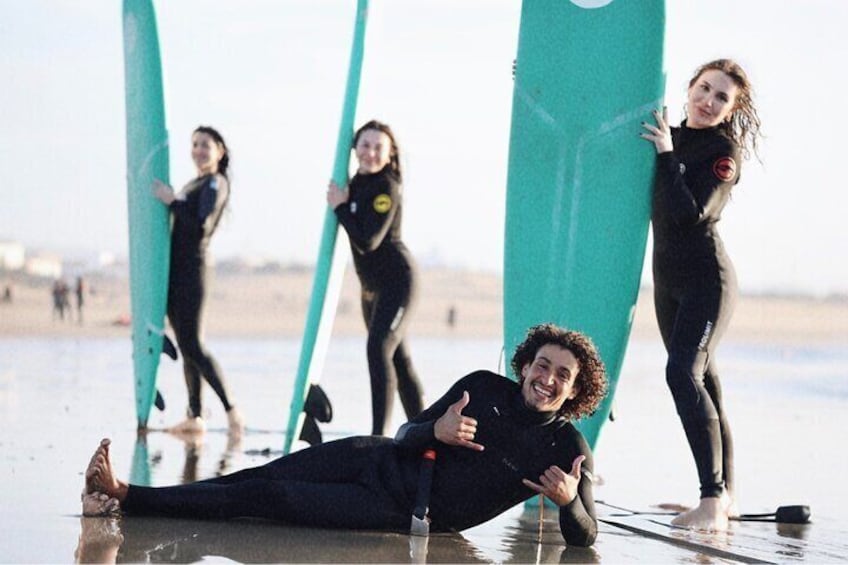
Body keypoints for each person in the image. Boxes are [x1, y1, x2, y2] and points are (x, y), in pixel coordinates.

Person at [83, 324, 608, 547]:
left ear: (577, 389)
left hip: (403, 511)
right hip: (374, 457)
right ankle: (126, 499)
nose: (548, 379)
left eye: (563, 375)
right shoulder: (480, 386)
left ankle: (126, 496)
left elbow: (587, 536)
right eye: (543, 365)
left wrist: (566, 503)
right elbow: (405, 433)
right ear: (525, 366)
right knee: (255, 475)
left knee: (270, 496)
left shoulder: (567, 450)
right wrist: (436, 430)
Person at [640, 59, 762, 532]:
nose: (708, 101)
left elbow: (688, 214)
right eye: (704, 89)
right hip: (667, 282)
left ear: (731, 110)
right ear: (689, 87)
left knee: (682, 374)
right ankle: (723, 496)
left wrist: (669, 156)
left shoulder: (720, 152)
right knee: (705, 384)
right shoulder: (664, 134)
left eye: (721, 98)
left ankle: (711, 499)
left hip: (707, 283)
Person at [326, 120, 424, 435]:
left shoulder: (387, 186)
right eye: (365, 145)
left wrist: (340, 208)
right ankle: (425, 432)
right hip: (372, 290)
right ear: (355, 149)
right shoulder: (355, 182)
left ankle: (379, 437)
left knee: (378, 348)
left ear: (389, 152)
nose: (370, 153)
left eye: (377, 147)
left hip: (399, 282)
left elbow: (368, 241)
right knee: (400, 360)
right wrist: (344, 202)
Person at [152, 125, 243, 436]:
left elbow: (201, 225)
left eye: (206, 144)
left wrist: (171, 202)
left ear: (220, 151)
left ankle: (232, 412)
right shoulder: (195, 183)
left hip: (194, 270)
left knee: (194, 344)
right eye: (195, 144)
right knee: (186, 347)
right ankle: (195, 415)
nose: (199, 150)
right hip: (177, 272)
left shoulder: (216, 183)